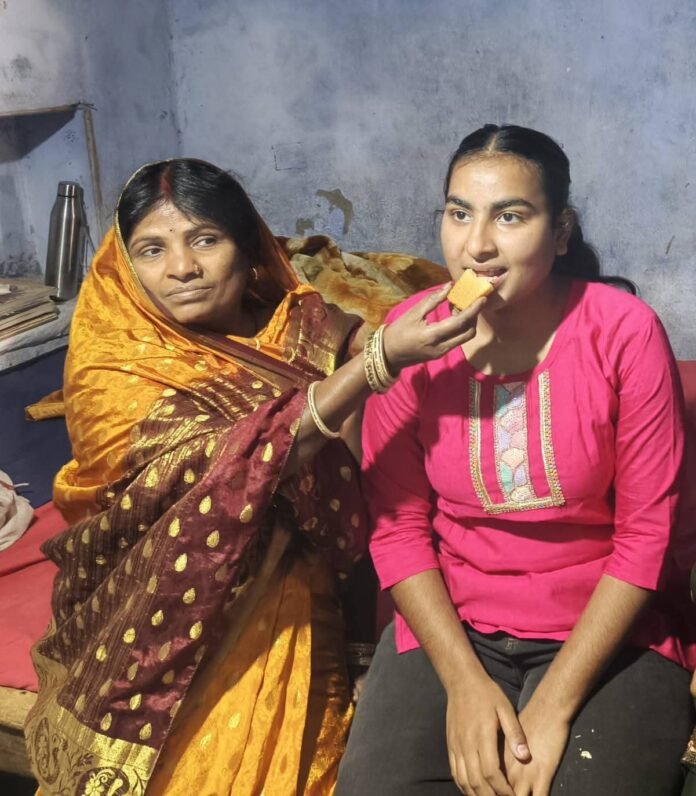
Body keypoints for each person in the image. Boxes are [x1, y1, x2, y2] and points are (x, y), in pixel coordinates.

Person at [24, 158, 483, 796]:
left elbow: (366, 354)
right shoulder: (114, 368)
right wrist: (374, 365)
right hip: (173, 595)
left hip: (324, 571)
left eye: (205, 240)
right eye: (152, 250)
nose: (182, 268)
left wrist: (411, 336)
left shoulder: (301, 324)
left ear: (248, 248)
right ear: (127, 265)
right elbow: (225, 467)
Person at [336, 124, 696, 796]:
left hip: (605, 629)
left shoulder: (624, 332)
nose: (477, 245)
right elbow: (399, 530)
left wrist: (553, 709)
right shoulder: (410, 339)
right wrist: (464, 686)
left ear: (560, 233)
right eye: (458, 213)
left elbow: (646, 537)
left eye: (510, 216)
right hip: (453, 628)